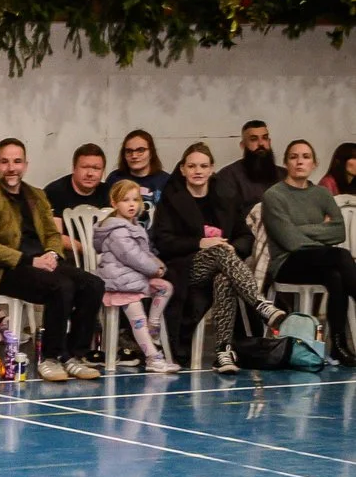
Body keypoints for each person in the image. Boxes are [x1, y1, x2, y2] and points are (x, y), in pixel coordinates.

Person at [0, 138, 105, 381]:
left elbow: (52, 234)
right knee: (61, 286)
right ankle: (50, 357)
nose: (11, 168)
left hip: (42, 261)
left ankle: (74, 354)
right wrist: (30, 261)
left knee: (93, 284)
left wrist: (52, 254)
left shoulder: (37, 195)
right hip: (5, 269)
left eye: (17, 161)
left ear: (25, 165)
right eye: (5, 162)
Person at [148, 141, 277, 374]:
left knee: (224, 279)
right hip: (184, 267)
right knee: (217, 251)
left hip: (224, 267)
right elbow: (164, 242)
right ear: (182, 169)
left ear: (211, 169)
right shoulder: (172, 199)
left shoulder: (224, 196)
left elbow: (245, 237)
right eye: (192, 166)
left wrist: (232, 249)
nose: (198, 171)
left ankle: (223, 352)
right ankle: (260, 304)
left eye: (203, 166)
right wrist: (199, 243)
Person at [261, 139, 356, 367]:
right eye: (294, 157)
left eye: (305, 157)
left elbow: (338, 231)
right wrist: (319, 231)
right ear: (286, 163)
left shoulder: (321, 194)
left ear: (314, 163)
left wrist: (298, 228)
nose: (300, 161)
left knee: (336, 276)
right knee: (341, 256)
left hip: (320, 260)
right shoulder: (274, 195)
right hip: (287, 263)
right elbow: (290, 242)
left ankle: (338, 347)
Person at [93, 180, 180, 373]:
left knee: (165, 287)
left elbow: (144, 253)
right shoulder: (117, 231)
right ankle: (152, 357)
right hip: (119, 283)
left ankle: (153, 325)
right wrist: (153, 269)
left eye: (135, 200)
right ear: (114, 203)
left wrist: (158, 265)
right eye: (125, 200)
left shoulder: (134, 226)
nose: (132, 204)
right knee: (137, 316)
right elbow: (133, 257)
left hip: (134, 279)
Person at [43, 143, 112, 217]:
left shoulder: (110, 193)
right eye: (85, 167)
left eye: (96, 168)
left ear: (103, 171)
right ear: (74, 168)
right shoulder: (53, 193)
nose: (90, 173)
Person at [219, 120, 279, 202]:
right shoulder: (227, 177)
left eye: (265, 138)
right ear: (243, 145)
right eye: (254, 139)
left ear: (269, 141)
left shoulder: (284, 175)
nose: (261, 143)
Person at [117, 129, 169, 203]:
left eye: (140, 150)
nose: (134, 156)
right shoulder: (115, 178)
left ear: (151, 153)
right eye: (129, 151)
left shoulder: (165, 181)